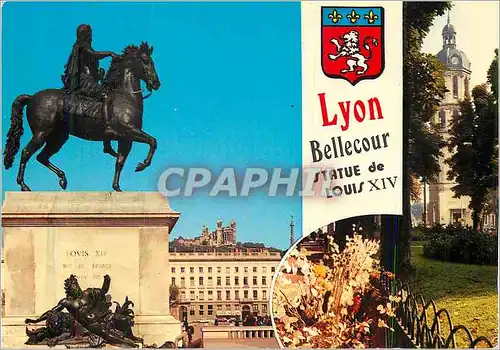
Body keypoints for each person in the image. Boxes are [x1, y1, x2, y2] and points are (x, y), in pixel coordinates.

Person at [62, 24, 122, 135]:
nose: (91, 36)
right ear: (86, 34)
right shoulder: (82, 45)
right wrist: (109, 53)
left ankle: (106, 140)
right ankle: (108, 126)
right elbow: (94, 55)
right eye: (89, 33)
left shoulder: (80, 45)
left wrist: (99, 75)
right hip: (83, 81)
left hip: (87, 79)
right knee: (106, 96)